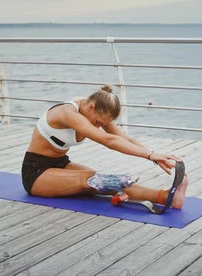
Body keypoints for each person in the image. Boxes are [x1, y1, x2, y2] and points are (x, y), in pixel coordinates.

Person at [21, 84, 189, 209]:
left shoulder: (92, 108)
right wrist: (150, 156)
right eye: (98, 123)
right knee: (95, 180)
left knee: (107, 181)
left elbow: (121, 137)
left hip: (61, 164)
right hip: (36, 172)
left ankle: (166, 197)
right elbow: (109, 141)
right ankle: (164, 197)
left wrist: (153, 154)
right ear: (91, 107)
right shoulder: (67, 113)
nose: (98, 126)